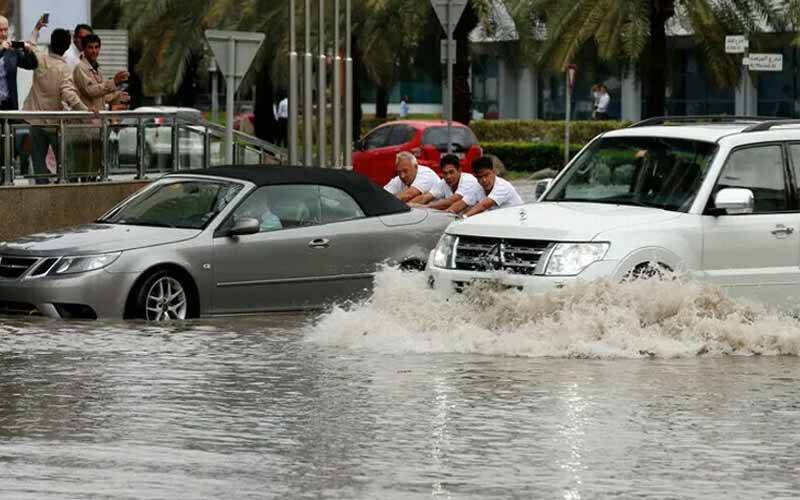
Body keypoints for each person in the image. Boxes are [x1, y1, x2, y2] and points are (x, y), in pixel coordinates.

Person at [23, 28, 91, 184]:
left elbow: (30, 47)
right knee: (64, 162)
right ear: (67, 47)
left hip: (35, 121)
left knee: (39, 165)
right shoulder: (64, 69)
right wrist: (85, 111)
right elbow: (69, 95)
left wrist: (36, 29)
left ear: (51, 43)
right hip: (54, 123)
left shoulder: (40, 60)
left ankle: (42, 194)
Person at [410, 154, 484, 213]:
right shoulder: (443, 182)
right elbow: (426, 197)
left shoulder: (469, 180)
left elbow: (453, 200)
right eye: (445, 173)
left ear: (459, 170)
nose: (448, 176)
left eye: (451, 172)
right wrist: (407, 206)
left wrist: (425, 206)